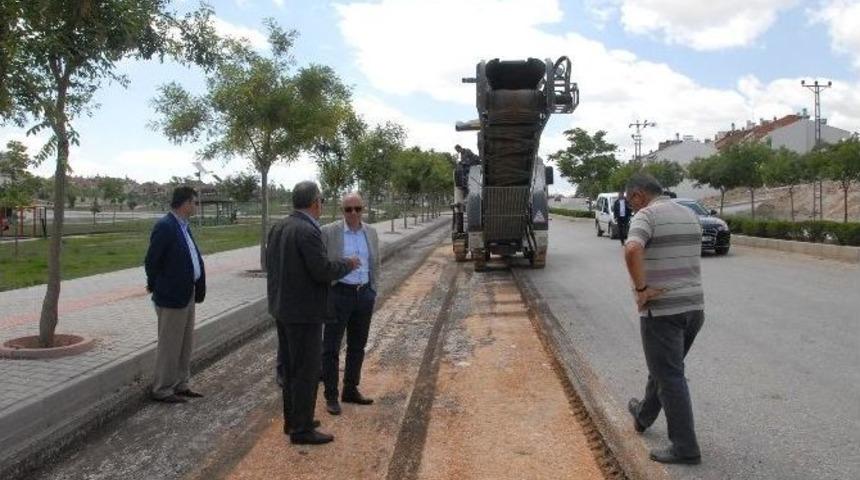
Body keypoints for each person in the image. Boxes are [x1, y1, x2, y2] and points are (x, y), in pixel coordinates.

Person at [266, 181, 360, 445]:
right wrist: (348, 264)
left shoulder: (279, 226)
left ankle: (293, 421)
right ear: (315, 202)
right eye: (322, 201)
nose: (322, 206)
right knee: (305, 372)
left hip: (283, 310)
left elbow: (269, 265)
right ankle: (302, 429)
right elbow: (321, 270)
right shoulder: (307, 230)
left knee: (290, 369)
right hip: (304, 313)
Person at [623, 173, 705, 465]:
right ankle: (643, 414)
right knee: (664, 366)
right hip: (694, 309)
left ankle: (685, 447)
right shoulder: (689, 213)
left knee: (670, 375)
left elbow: (632, 248)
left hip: (663, 310)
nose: (631, 208)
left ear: (638, 196)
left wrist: (642, 290)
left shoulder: (647, 215)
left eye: (629, 201)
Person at [145, 186, 206, 404]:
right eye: (195, 202)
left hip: (186, 293)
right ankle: (162, 388)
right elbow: (152, 261)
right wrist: (156, 286)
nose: (197, 207)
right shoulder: (165, 226)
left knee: (184, 342)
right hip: (171, 296)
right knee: (170, 344)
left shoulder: (183, 227)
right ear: (186, 203)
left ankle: (181, 384)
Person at [320, 193, 380, 416]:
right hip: (339, 294)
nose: (353, 213)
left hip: (363, 294)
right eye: (348, 209)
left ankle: (350, 389)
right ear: (341, 210)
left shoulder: (371, 232)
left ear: (362, 210)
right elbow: (322, 264)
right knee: (331, 348)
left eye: (358, 209)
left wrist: (373, 289)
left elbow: (376, 262)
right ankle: (331, 396)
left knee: (358, 345)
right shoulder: (329, 232)